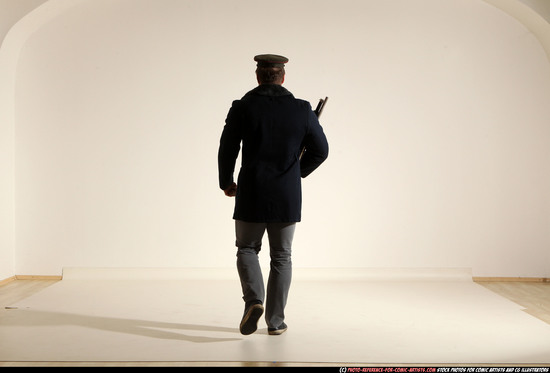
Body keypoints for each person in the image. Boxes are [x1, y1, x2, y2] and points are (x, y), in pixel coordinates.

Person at [218, 54, 329, 336]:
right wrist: (297, 173)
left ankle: (254, 300)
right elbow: (321, 151)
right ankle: (275, 322)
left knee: (246, 248)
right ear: (282, 77)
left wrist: (226, 181)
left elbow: (227, 147)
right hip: (286, 194)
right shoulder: (303, 109)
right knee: (281, 256)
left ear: (258, 76)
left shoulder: (242, 107)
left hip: (251, 190)